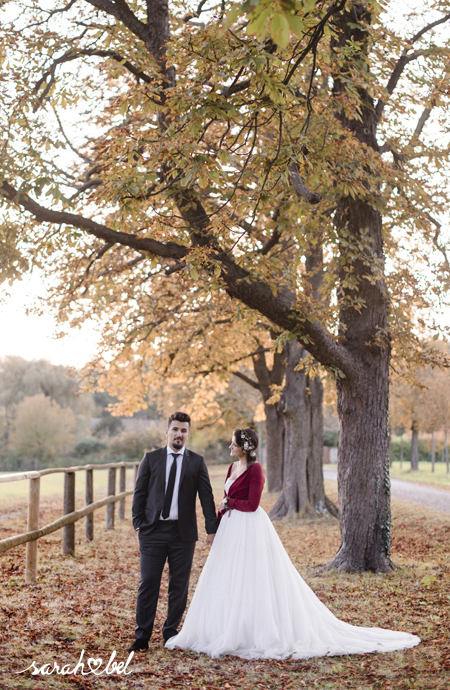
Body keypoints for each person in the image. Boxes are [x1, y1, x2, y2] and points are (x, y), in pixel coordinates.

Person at [165, 428, 421, 660]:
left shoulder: (256, 470)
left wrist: (229, 504)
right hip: (231, 529)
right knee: (227, 576)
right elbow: (225, 497)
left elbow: (252, 504)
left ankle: (252, 630)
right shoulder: (232, 469)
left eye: (233, 444)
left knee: (252, 576)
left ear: (245, 446)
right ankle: (223, 626)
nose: (230, 447)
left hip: (249, 527)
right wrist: (220, 520)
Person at [128, 411, 218, 652]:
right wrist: (138, 523)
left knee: (179, 585)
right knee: (148, 582)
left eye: (184, 430)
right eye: (175, 429)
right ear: (167, 431)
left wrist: (212, 529)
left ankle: (170, 633)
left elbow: (206, 497)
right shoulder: (151, 458)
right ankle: (142, 636)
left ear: (188, 434)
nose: (179, 434)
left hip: (183, 534)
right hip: (153, 530)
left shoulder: (196, 461)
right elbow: (140, 493)